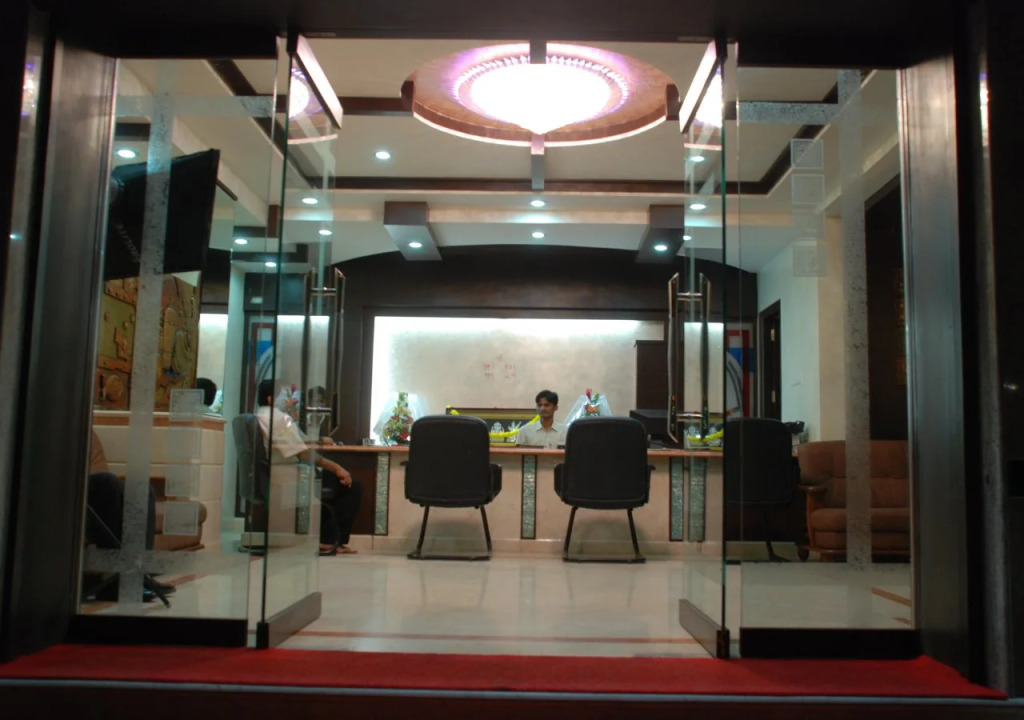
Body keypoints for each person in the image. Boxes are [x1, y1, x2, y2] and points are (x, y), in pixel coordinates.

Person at [255, 379, 362, 555]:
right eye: (284, 395)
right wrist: (336, 467)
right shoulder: (279, 419)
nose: (289, 400)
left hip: (274, 474)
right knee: (351, 487)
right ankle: (328, 541)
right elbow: (303, 453)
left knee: (333, 485)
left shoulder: (261, 416)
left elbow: (294, 442)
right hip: (291, 476)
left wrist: (318, 441)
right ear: (270, 398)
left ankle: (325, 539)